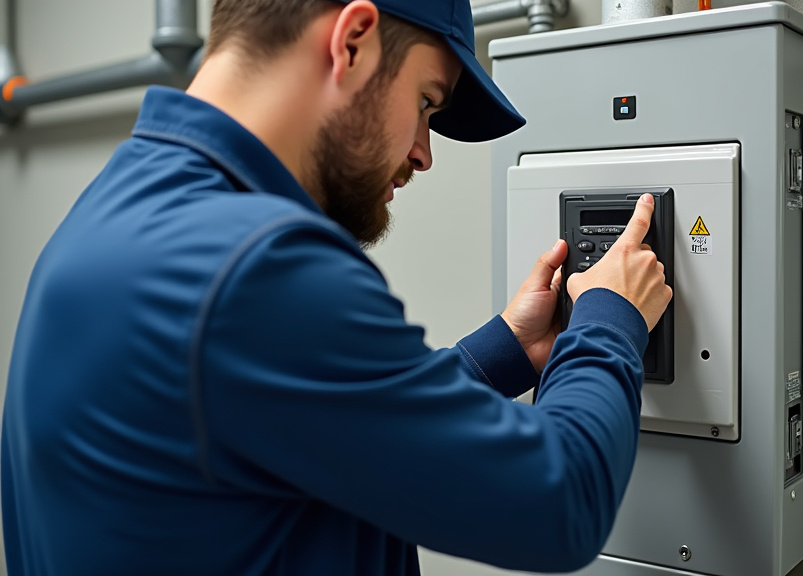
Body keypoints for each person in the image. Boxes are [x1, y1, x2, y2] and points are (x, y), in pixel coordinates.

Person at [1, 0, 672, 574]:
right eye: (426, 102)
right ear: (352, 41)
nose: (424, 152)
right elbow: (560, 503)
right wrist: (608, 318)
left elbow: (303, 420)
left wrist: (504, 353)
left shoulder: (111, 217)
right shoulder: (257, 266)